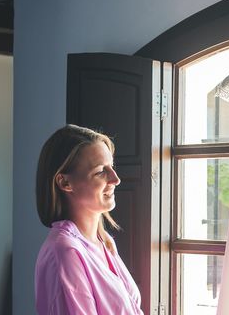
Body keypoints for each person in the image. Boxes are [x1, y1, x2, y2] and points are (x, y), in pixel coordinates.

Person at [35, 124, 143, 314]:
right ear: (65, 182)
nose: (115, 179)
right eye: (101, 171)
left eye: (112, 166)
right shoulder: (65, 253)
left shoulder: (104, 241)